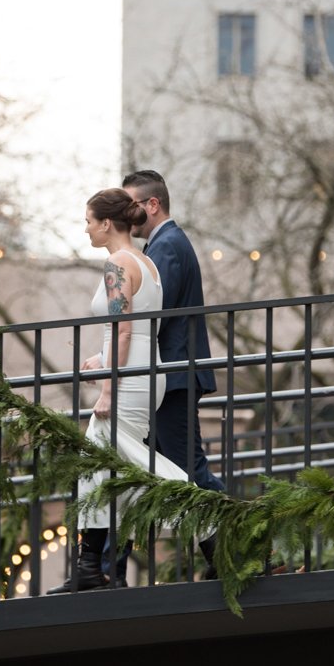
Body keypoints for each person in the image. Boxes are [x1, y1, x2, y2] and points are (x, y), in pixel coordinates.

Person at [47, 188, 189, 593]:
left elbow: (122, 328)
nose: (86, 229)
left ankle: (211, 520)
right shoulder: (146, 262)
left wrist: (107, 387)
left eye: (88, 221)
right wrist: (100, 357)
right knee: (106, 467)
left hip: (129, 379)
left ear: (106, 223)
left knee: (127, 465)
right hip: (146, 368)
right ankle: (90, 567)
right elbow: (134, 328)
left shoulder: (116, 264)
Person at [122, 169, 224, 576]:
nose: (127, 214)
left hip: (173, 378)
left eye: (132, 204)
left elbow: (151, 316)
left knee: (187, 471)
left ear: (152, 204)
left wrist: (114, 355)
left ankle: (253, 551)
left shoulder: (166, 246)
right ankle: (104, 564)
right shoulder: (165, 244)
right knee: (156, 471)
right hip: (172, 376)